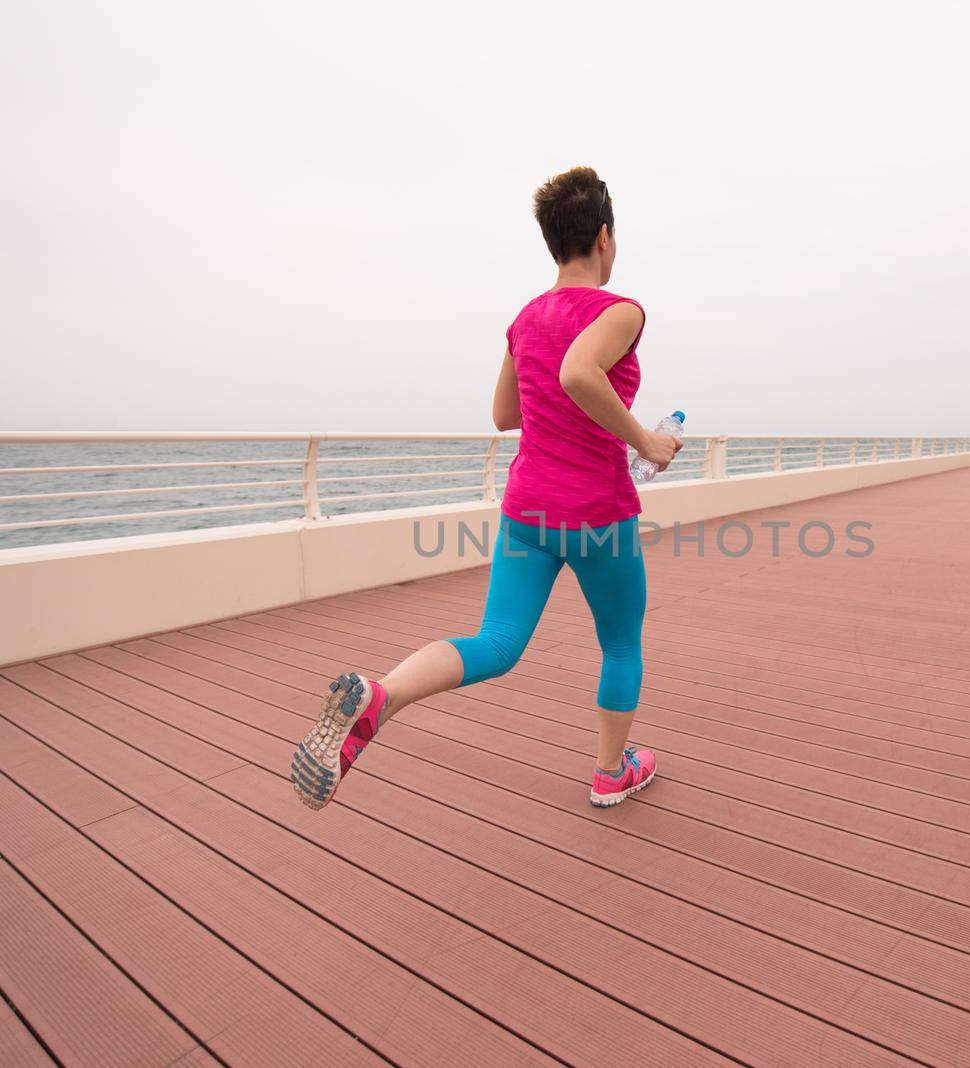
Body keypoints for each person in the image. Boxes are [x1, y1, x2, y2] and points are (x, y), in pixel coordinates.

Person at [291, 166, 682, 812]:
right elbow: (580, 371)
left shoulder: (526, 318)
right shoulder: (623, 312)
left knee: (495, 643)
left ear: (555, 242)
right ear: (605, 238)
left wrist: (559, 403)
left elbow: (504, 414)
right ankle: (612, 771)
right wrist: (645, 441)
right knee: (620, 642)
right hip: (597, 513)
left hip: (528, 508)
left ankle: (383, 694)